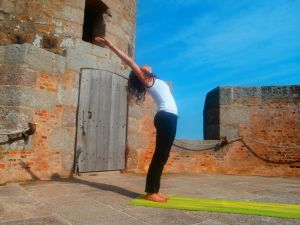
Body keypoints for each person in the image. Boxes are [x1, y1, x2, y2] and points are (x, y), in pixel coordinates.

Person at [95, 36, 178, 203]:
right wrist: (110, 45)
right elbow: (130, 61)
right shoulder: (146, 79)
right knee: (159, 155)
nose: (144, 64)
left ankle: (155, 190)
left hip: (171, 117)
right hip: (165, 117)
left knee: (163, 156)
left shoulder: (155, 80)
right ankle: (150, 191)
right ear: (141, 73)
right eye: (141, 67)